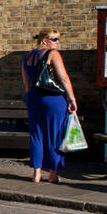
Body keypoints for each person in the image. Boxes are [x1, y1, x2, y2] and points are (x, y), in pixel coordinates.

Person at [23, 29, 76, 183]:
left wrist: (31, 98)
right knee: (55, 135)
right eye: (54, 39)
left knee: (36, 135)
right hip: (53, 98)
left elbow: (27, 84)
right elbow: (64, 78)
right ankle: (52, 174)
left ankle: (36, 174)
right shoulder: (52, 54)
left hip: (33, 97)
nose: (57, 42)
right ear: (45, 40)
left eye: (58, 39)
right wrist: (72, 98)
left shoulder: (27, 57)